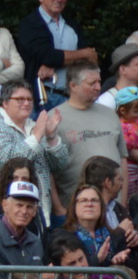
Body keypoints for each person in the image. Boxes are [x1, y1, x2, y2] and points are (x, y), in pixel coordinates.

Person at [0, 82, 68, 223]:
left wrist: (50, 137)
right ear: (5, 103)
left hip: (40, 212)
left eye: (29, 99)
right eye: (19, 99)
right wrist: (37, 136)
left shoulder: (33, 126)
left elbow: (59, 165)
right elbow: (10, 162)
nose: (26, 103)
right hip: (8, 215)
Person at [13, 0, 98, 104]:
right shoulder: (30, 24)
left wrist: (58, 62)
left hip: (73, 98)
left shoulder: (72, 26)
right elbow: (48, 56)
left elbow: (91, 60)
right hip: (43, 98)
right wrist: (82, 54)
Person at [52, 62, 124, 199]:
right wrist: (58, 208)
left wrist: (123, 201)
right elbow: (47, 169)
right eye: (92, 83)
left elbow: (122, 159)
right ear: (73, 86)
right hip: (74, 207)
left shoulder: (110, 114)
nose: (98, 87)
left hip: (114, 206)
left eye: (99, 82)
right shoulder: (55, 117)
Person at [0, 179, 44, 266]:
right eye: (19, 205)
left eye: (29, 207)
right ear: (5, 205)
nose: (24, 211)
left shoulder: (35, 242)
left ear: (35, 211)